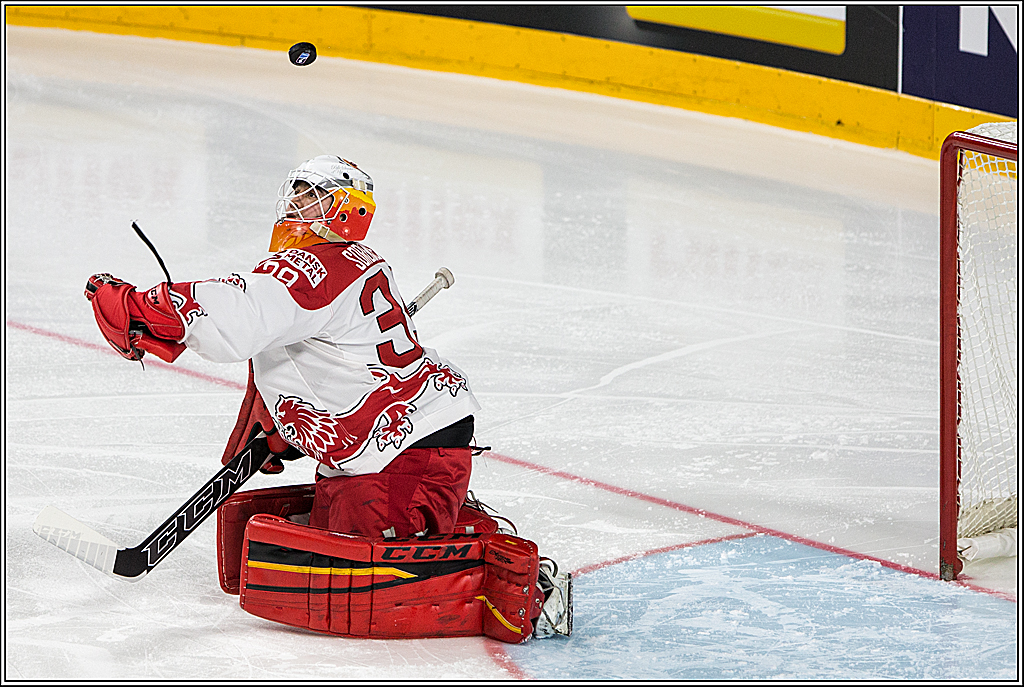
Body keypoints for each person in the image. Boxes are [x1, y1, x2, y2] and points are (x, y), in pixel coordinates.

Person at [85, 155, 571, 642]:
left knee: (372, 583)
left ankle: (527, 588)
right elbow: (302, 352)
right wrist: (283, 417)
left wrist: (140, 307)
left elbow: (238, 314)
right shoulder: (350, 263)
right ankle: (446, 525)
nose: (294, 205)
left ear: (344, 210)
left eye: (309, 196)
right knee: (332, 554)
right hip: (396, 438)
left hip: (406, 449)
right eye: (294, 193)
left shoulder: (316, 265)